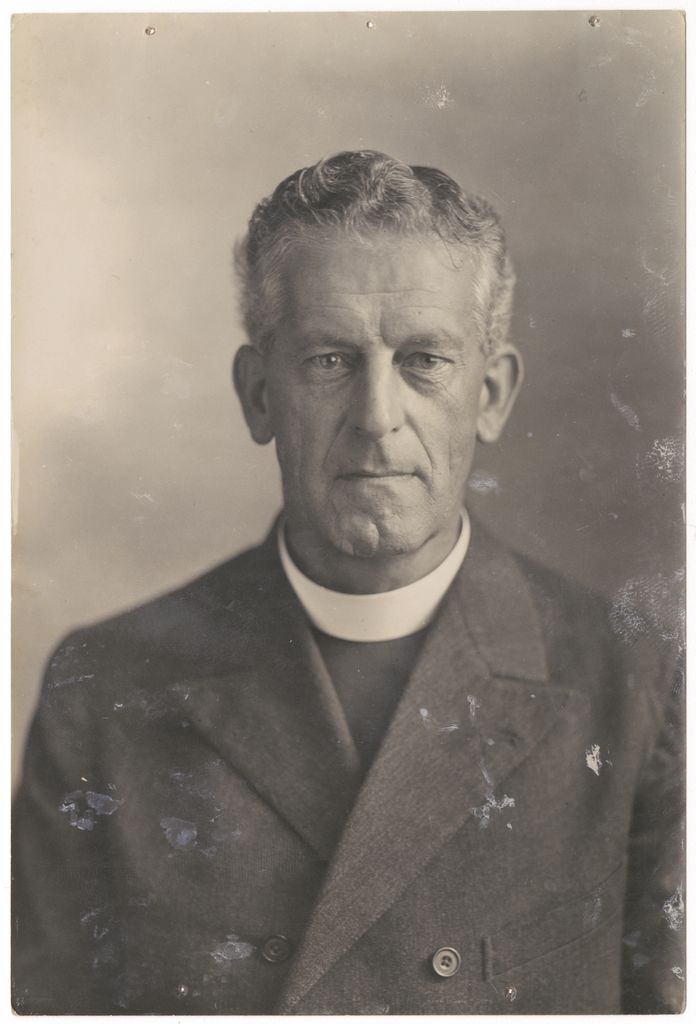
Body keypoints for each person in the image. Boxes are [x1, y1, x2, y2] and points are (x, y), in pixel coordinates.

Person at [12, 150, 684, 1014]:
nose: (376, 417)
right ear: (259, 395)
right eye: (330, 361)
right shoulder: (103, 691)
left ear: (491, 394)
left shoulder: (634, 684)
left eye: (424, 362)